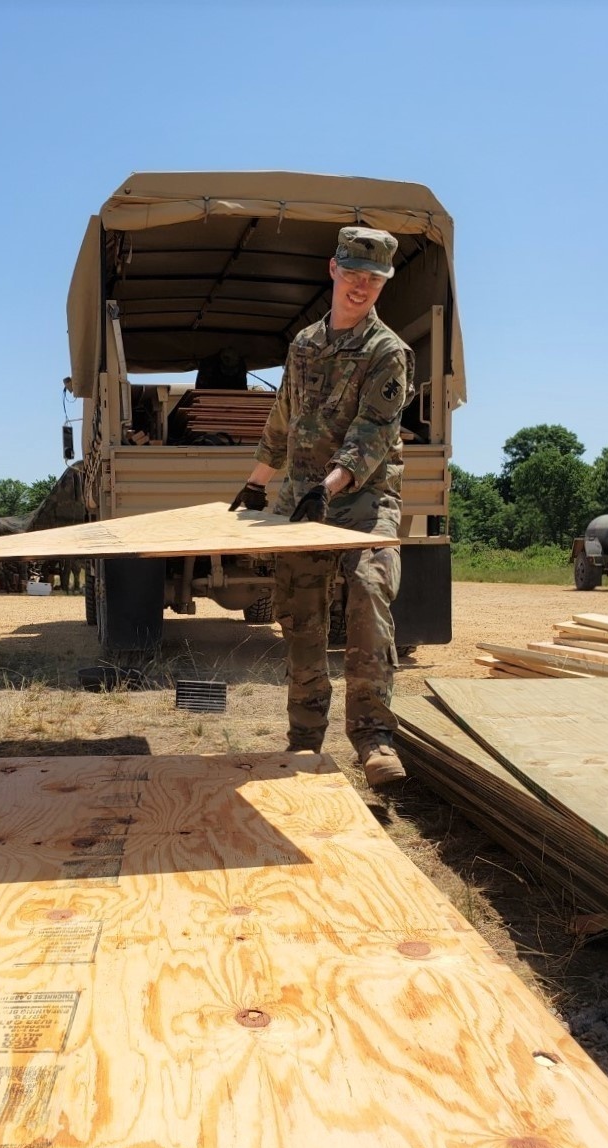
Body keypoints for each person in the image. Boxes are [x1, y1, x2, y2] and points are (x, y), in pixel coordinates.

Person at [229, 226, 414, 788]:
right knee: (300, 614)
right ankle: (305, 738)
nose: (362, 287)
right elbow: (284, 418)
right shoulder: (304, 344)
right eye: (354, 274)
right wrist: (257, 484)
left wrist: (328, 487)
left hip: (362, 499)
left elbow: (372, 436)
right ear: (333, 270)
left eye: (374, 279)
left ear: (383, 284)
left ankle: (373, 736)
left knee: (369, 590)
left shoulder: (389, 352)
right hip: (302, 500)